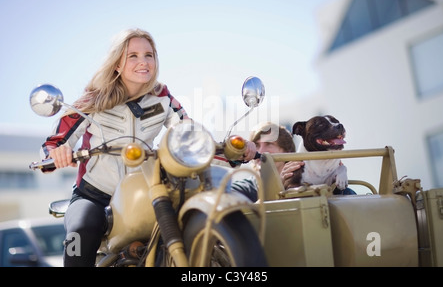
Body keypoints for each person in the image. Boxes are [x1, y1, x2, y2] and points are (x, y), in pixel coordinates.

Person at [40, 28, 256, 267]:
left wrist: (235, 152)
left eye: (149, 55)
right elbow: (53, 143)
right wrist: (56, 153)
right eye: (133, 56)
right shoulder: (92, 100)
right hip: (96, 195)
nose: (143, 62)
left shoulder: (162, 96)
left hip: (145, 192)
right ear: (117, 64)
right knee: (81, 230)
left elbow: (191, 138)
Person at [231, 122, 299, 202]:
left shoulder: (302, 183)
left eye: (269, 144)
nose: (261, 151)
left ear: (287, 152)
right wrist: (275, 189)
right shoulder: (240, 189)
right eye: (256, 145)